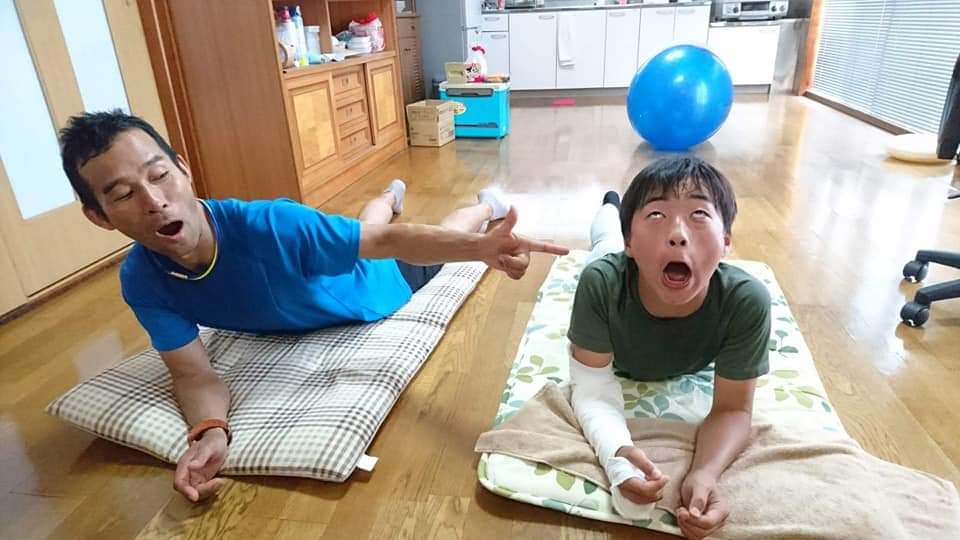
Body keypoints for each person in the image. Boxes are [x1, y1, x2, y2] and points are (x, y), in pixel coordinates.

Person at [59, 111, 568, 502]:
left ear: (184, 169)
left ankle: (483, 206)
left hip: (378, 282)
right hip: (329, 268)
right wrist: (210, 431)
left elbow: (387, 244)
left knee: (411, 234)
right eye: (123, 195)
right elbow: (192, 374)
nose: (154, 201)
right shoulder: (143, 279)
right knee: (362, 227)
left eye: (160, 175)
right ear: (99, 217)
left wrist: (480, 249)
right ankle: (388, 196)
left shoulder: (272, 226)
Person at [567, 156, 771, 540]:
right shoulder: (603, 284)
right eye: (657, 215)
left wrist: (704, 473)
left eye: (699, 214)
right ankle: (611, 208)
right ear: (632, 242)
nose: (677, 233)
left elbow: (733, 408)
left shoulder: (745, 302)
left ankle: (621, 210)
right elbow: (591, 389)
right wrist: (618, 458)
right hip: (612, 257)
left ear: (726, 241)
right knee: (602, 243)